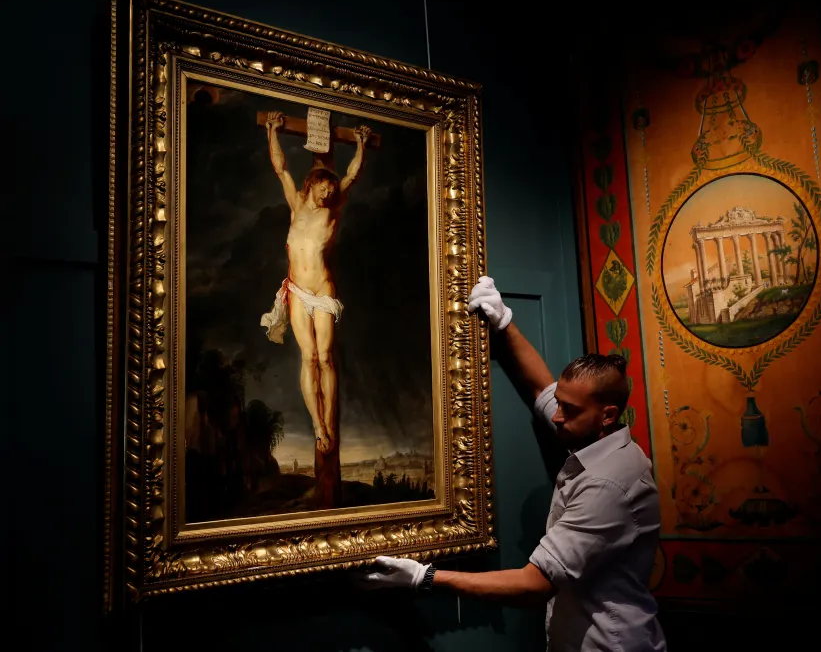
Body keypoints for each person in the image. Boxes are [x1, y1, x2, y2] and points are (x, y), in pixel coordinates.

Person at [358, 276, 666, 651]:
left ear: (608, 414)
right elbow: (542, 388)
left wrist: (425, 576)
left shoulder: (608, 483)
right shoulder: (594, 432)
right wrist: (504, 322)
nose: (556, 416)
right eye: (562, 404)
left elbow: (533, 584)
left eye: (569, 410)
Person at [259, 111, 372, 458]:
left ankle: (329, 420)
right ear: (314, 183)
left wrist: (361, 144)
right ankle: (318, 425)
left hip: (322, 291)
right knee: (308, 357)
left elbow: (352, 175)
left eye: (332, 190)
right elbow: (280, 168)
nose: (329, 192)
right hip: (296, 291)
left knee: (325, 357)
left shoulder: (333, 211)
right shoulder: (296, 203)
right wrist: (272, 131)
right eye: (326, 187)